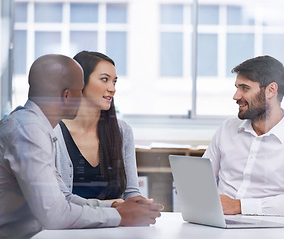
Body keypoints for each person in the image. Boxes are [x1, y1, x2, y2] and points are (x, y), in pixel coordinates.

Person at [0, 54, 163, 239]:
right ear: (67, 95)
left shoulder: (36, 127)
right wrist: (120, 215)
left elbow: (64, 197)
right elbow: (55, 214)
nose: (82, 97)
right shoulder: (29, 131)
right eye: (80, 90)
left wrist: (114, 206)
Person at [203, 55, 284, 216]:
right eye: (237, 87)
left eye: (245, 88)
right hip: (217, 224)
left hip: (268, 229)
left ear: (271, 90)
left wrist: (239, 206)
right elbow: (200, 180)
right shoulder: (227, 129)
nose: (236, 96)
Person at [54, 51, 140, 201]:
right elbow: (58, 202)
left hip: (118, 224)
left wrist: (141, 204)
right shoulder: (52, 132)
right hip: (71, 224)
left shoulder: (122, 131)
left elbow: (131, 192)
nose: (112, 89)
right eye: (105, 79)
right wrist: (112, 206)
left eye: (114, 82)